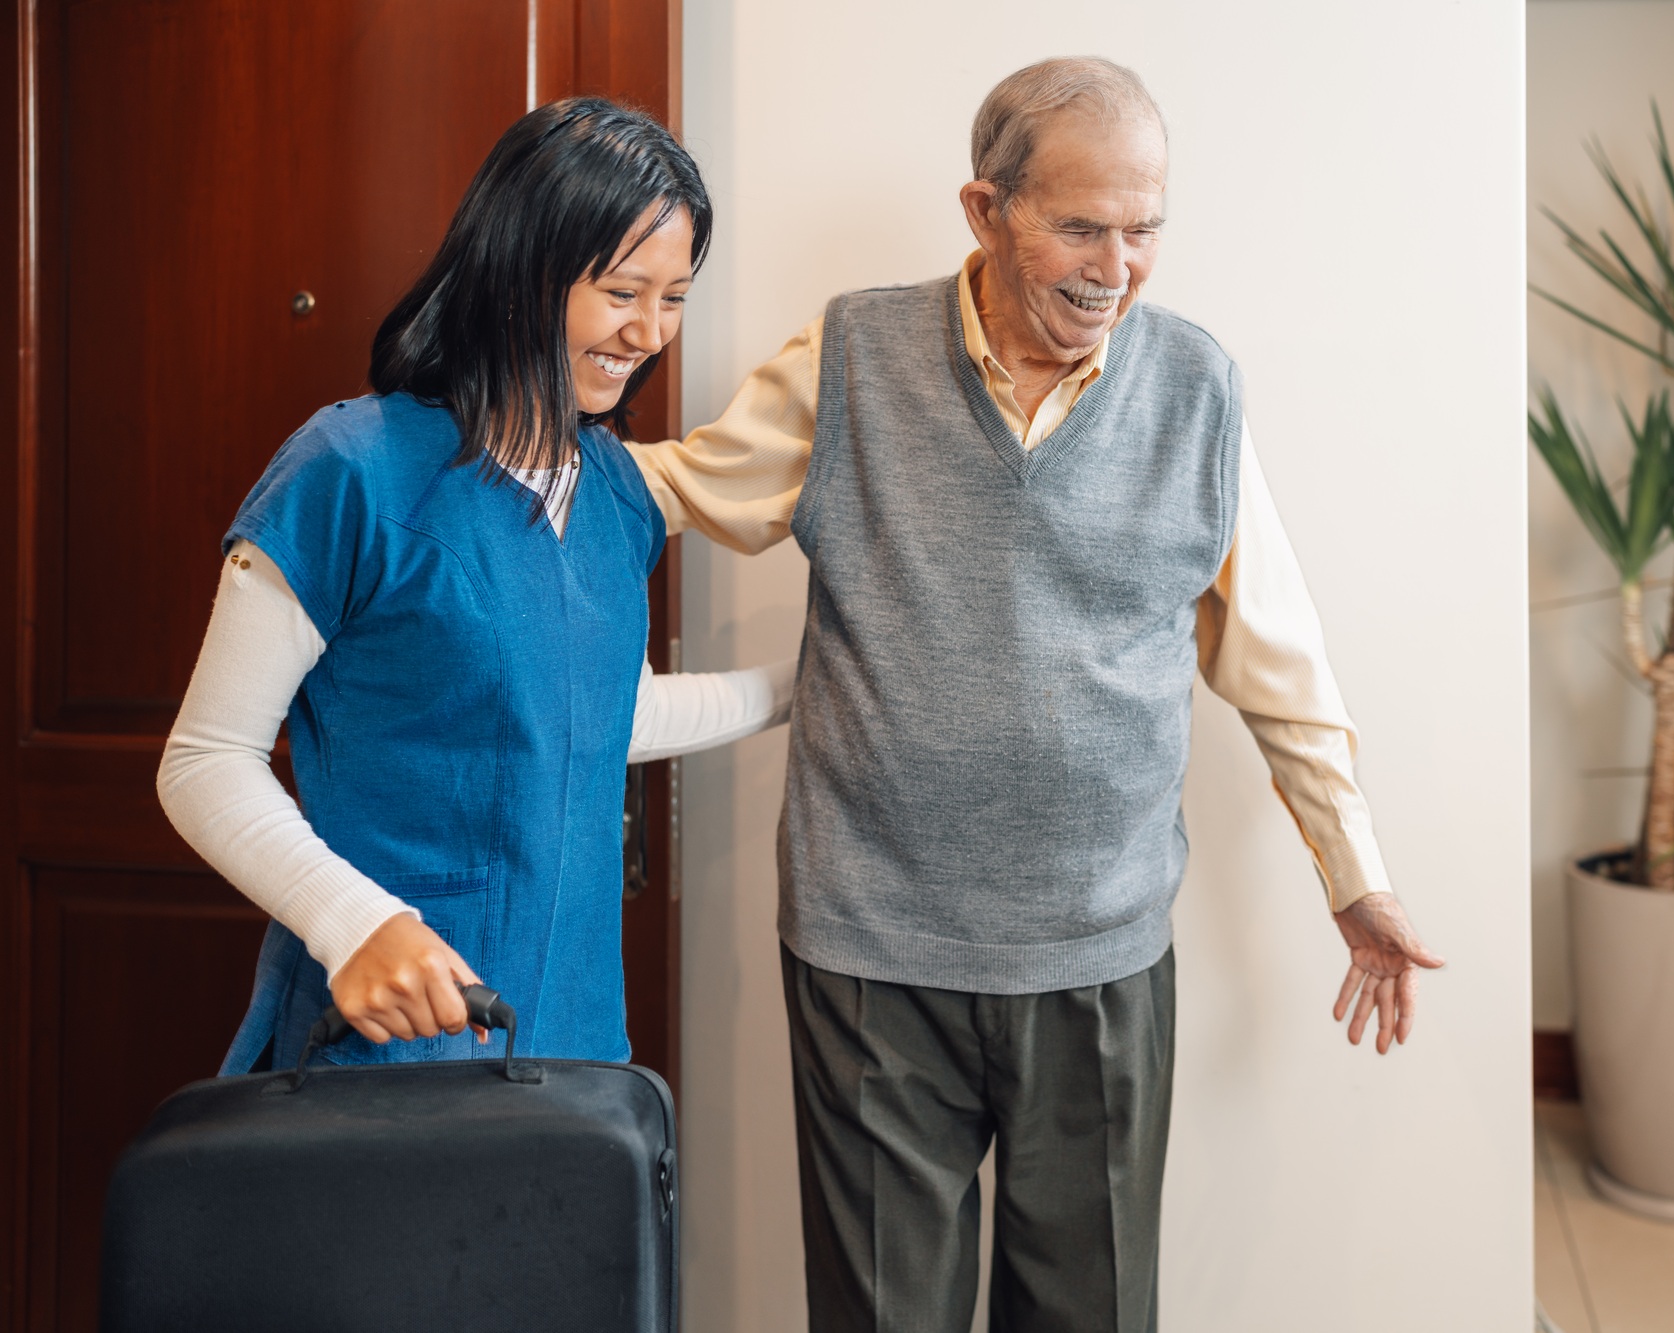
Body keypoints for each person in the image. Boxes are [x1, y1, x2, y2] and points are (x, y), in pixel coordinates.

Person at [626, 57, 1445, 1333]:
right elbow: (672, 491)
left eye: (1144, 228)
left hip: (1098, 956)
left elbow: (1276, 661)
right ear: (983, 210)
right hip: (870, 954)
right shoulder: (852, 355)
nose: (1114, 266)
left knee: (1089, 1316)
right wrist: (491, 462)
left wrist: (1356, 876)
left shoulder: (1194, 391)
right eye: (1079, 226)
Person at [159, 97, 790, 1073]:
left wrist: (800, 688)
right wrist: (354, 923)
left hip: (571, 1034)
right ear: (520, 272)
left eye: (674, 298)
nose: (649, 332)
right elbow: (204, 761)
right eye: (624, 291)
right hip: (385, 1039)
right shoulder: (350, 471)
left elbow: (586, 716)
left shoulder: (617, 491)